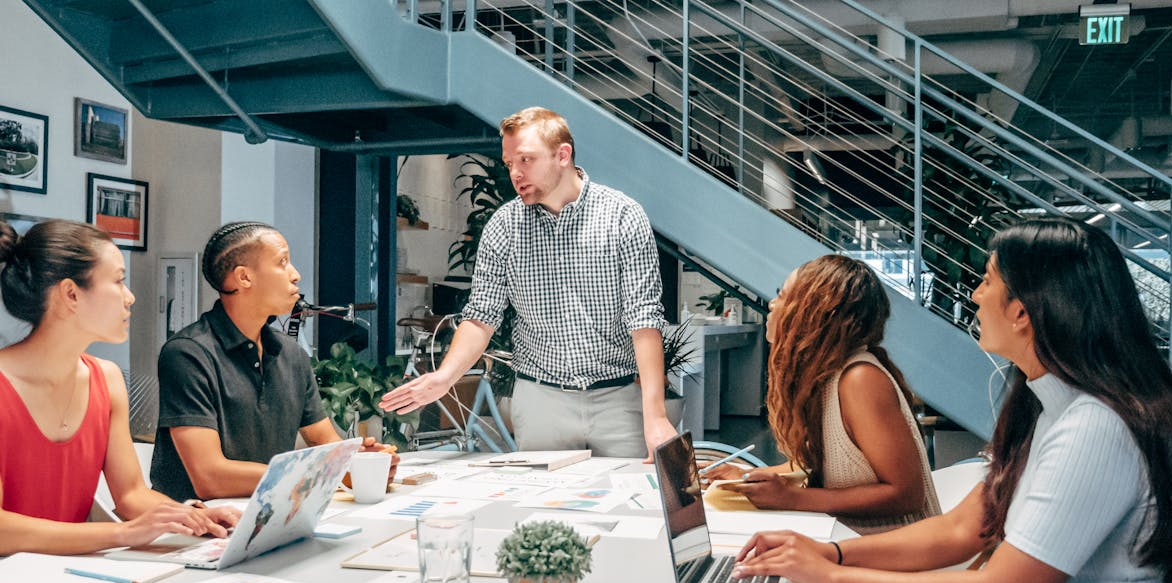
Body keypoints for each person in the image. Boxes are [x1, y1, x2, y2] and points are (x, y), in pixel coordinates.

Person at [732, 218, 1172, 583]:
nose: (974, 294)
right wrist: (827, 553)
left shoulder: (1095, 426)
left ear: (1023, 312)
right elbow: (961, 530)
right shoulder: (1048, 410)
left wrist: (831, 577)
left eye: (987, 280)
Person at [381, 106, 674, 460]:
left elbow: (644, 320)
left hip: (617, 399)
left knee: (629, 505)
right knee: (542, 511)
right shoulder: (503, 227)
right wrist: (444, 377)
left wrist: (656, 416)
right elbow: (481, 317)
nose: (515, 173)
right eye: (509, 163)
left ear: (562, 155)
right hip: (540, 402)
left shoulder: (623, 217)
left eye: (526, 160)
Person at [0, 219, 239, 555]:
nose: (130, 297)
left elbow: (130, 495)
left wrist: (191, 517)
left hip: (68, 579)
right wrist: (122, 534)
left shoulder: (107, 378)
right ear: (70, 294)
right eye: (118, 280)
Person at [150, 221, 398, 501]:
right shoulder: (188, 354)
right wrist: (316, 470)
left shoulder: (290, 354)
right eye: (283, 262)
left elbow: (325, 441)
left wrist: (360, 463)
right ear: (244, 278)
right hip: (192, 529)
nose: (295, 275)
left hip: (268, 514)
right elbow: (211, 478)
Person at [706, 255, 939, 534]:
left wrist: (792, 498)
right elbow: (820, 465)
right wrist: (745, 477)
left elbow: (906, 495)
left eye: (784, 294)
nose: (772, 303)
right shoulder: (826, 375)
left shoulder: (860, 380)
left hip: (897, 556)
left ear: (815, 312)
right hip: (850, 543)